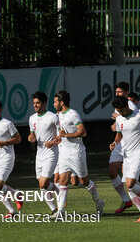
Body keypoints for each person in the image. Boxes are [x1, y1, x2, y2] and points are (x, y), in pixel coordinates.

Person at [51, 90, 104, 220]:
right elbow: (62, 134)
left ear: (62, 102)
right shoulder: (58, 116)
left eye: (55, 102)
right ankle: (61, 211)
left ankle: (98, 201)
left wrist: (66, 135)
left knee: (83, 181)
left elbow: (83, 132)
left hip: (76, 153)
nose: (53, 104)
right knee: (63, 181)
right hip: (64, 153)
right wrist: (58, 139)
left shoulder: (73, 114)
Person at [111, 95, 140, 222]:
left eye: (121, 110)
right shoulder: (119, 119)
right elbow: (119, 135)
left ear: (127, 106)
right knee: (130, 188)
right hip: (126, 155)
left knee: (130, 183)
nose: (120, 113)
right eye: (118, 111)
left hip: (139, 153)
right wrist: (114, 144)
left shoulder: (139, 115)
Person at [109, 82, 139, 213]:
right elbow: (119, 129)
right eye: (116, 92)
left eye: (120, 92)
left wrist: (118, 118)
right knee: (112, 172)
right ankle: (126, 200)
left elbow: (134, 123)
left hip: (132, 145)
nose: (117, 94)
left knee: (135, 179)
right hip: (121, 143)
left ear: (127, 93)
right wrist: (114, 142)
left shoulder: (131, 106)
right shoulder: (118, 106)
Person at [28, 91, 61, 214]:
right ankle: (54, 210)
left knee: (43, 183)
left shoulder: (52, 117)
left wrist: (52, 143)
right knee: (42, 186)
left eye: (38, 103)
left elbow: (61, 135)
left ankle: (60, 193)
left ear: (44, 103)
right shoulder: (32, 118)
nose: (35, 105)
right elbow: (32, 134)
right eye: (34, 103)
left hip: (51, 153)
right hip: (39, 154)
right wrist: (31, 137)